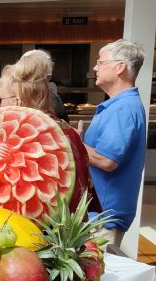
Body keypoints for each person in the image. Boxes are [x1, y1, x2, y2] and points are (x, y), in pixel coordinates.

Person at [9, 50, 99, 215]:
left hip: (24, 222)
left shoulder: (16, 134)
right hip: (62, 224)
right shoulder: (65, 130)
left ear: (19, 99)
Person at [78, 39, 148, 251]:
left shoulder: (122, 108)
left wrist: (74, 144)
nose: (95, 67)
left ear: (120, 67)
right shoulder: (120, 105)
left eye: (100, 62)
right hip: (101, 212)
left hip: (103, 215)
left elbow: (107, 160)